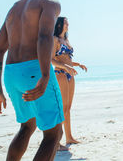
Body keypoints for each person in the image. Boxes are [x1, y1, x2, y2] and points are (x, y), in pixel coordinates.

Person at [0, 0, 63, 161]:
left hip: (11, 73)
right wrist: (45, 75)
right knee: (54, 134)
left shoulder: (13, 9)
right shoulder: (49, 3)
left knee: (27, 126)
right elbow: (44, 36)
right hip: (34, 69)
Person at [52, 17, 87, 148]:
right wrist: (66, 67)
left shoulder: (66, 40)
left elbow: (67, 60)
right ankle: (55, 141)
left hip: (70, 75)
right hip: (60, 74)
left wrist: (78, 65)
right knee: (62, 109)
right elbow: (52, 60)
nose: (68, 24)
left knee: (68, 109)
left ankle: (69, 138)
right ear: (59, 25)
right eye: (65, 22)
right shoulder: (54, 40)